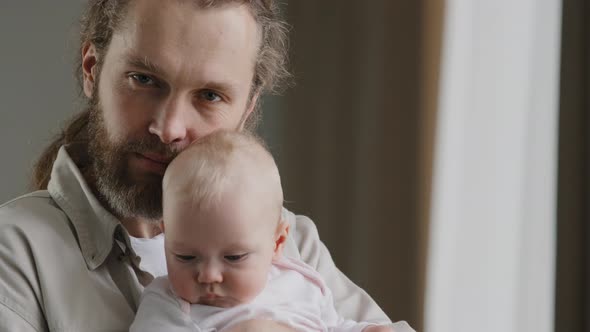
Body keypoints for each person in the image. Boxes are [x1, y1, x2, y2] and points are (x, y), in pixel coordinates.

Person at [0, 0, 413, 331]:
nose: (168, 127)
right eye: (143, 79)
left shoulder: (292, 242)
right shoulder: (18, 253)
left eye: (210, 96)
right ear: (93, 69)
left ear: (248, 109)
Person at [129, 130, 410, 332]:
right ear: (166, 236)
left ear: (278, 242)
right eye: (186, 257)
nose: (208, 276)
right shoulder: (166, 302)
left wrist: (365, 330)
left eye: (234, 257)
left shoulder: (300, 280)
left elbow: (334, 324)